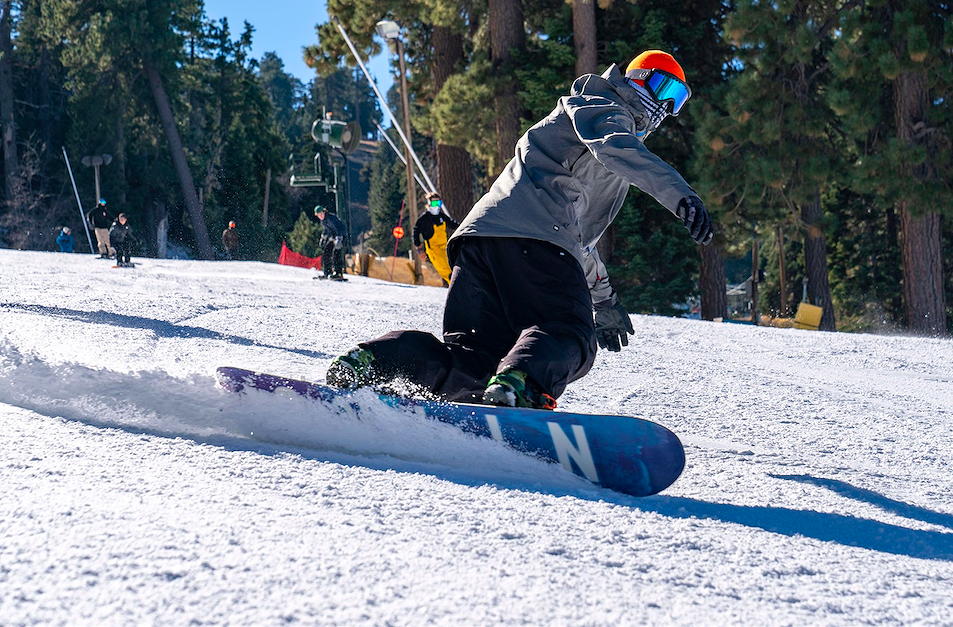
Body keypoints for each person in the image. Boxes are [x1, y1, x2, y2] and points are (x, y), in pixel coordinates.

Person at [327, 50, 713, 409]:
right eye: (666, 89)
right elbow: (613, 149)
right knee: (569, 334)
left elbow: (577, 238)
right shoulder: (603, 109)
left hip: (482, 242)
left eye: (678, 100)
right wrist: (681, 196)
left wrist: (605, 301)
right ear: (637, 78)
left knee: (474, 362)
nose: (666, 107)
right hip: (535, 240)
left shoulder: (606, 147)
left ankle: (376, 361)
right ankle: (524, 385)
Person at [413, 192, 459, 283]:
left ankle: (458, 285)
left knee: (453, 266)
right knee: (446, 270)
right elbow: (416, 232)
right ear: (429, 203)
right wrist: (419, 248)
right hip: (434, 251)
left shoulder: (442, 216)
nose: (436, 206)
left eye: (439, 203)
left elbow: (453, 224)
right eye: (434, 203)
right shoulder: (424, 219)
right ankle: (455, 285)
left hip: (445, 247)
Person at [314, 204, 346, 280]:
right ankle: (327, 272)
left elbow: (339, 228)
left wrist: (339, 238)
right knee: (326, 253)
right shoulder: (323, 221)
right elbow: (326, 230)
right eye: (318, 215)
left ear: (324, 212)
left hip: (341, 236)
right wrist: (323, 238)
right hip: (333, 237)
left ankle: (338, 273)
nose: (320, 216)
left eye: (321, 214)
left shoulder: (331, 218)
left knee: (336, 253)